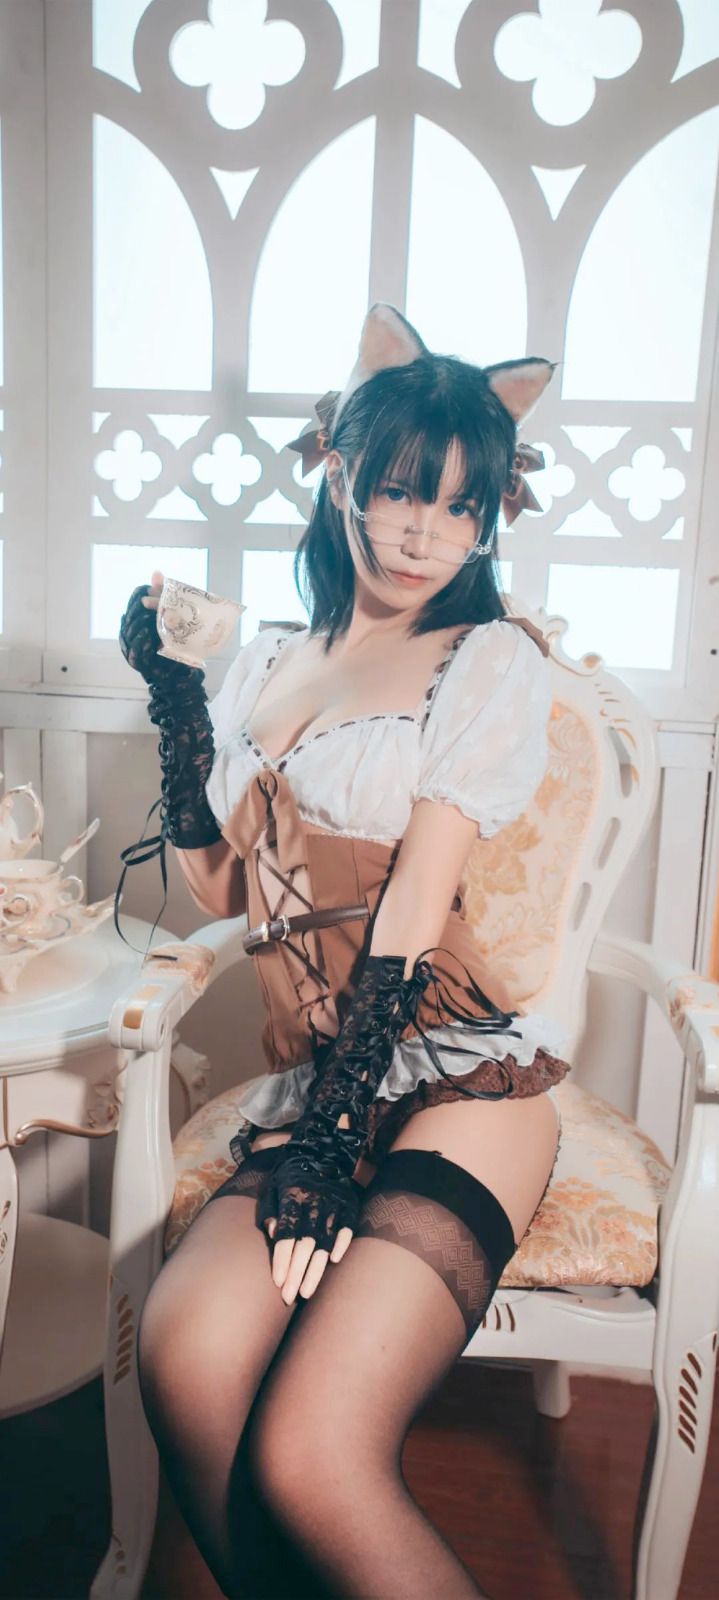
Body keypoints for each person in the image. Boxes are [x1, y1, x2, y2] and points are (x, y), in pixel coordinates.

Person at [119, 304, 570, 1600]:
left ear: (489, 521)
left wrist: (329, 1139)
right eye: (402, 490)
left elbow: (419, 896)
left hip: (459, 1076)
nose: (428, 531)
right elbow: (221, 885)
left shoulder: (484, 659)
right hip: (318, 1076)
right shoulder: (269, 656)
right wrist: (176, 706)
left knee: (313, 1454)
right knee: (185, 1357)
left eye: (463, 506)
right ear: (341, 475)